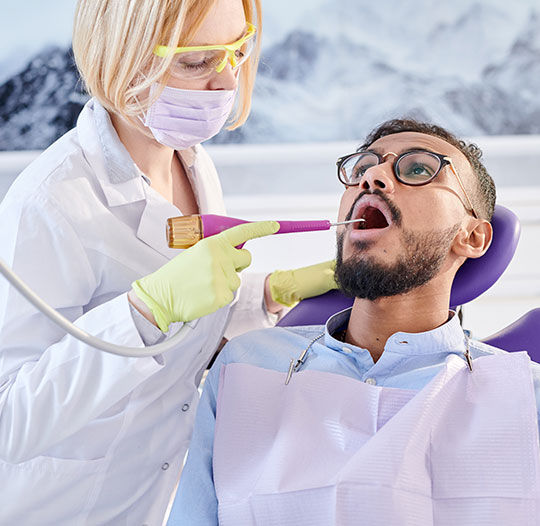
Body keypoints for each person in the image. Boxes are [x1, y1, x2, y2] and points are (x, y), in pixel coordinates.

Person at [0, 0, 337, 524]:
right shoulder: (50, 203)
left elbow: (186, 318)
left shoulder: (193, 164)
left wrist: (268, 293)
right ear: (121, 56)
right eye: (196, 61)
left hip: (149, 498)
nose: (227, 82)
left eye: (237, 50)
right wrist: (144, 312)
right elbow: (9, 420)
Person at [169, 118, 540, 525]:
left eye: (419, 168)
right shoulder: (246, 366)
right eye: (363, 167)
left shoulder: (528, 396)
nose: (373, 177)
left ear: (473, 237)